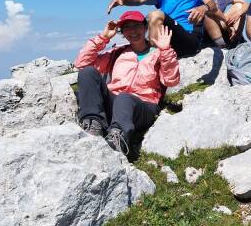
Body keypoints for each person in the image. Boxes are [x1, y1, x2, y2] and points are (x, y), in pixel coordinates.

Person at [74, 11, 180, 156]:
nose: (132, 31)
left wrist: (166, 51)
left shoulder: (158, 54)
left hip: (143, 107)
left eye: (136, 26)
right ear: (122, 32)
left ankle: (118, 137)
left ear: (145, 28)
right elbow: (82, 64)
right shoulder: (117, 53)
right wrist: (103, 38)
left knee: (124, 97)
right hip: (115, 102)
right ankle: (93, 124)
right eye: (127, 27)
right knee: (88, 73)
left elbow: (171, 81)